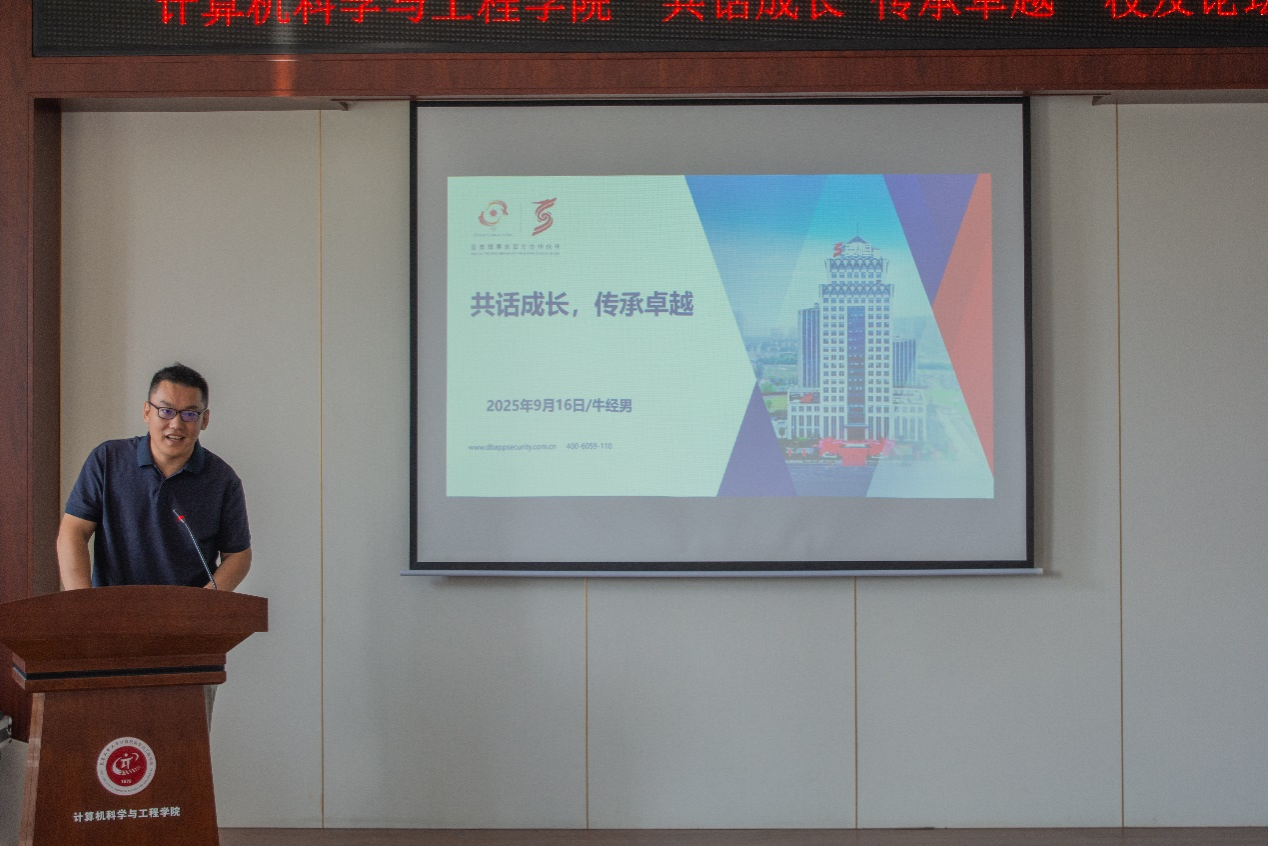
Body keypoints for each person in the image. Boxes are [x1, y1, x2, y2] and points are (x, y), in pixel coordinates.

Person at [56, 363, 252, 726]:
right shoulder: (108, 460)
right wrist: (83, 608)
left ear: (205, 420)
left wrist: (199, 609)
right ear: (147, 411)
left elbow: (238, 555)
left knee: (182, 746)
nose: (176, 424)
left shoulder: (222, 480)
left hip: (187, 639)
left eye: (189, 414)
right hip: (111, 630)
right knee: (110, 741)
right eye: (166, 411)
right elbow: (73, 531)